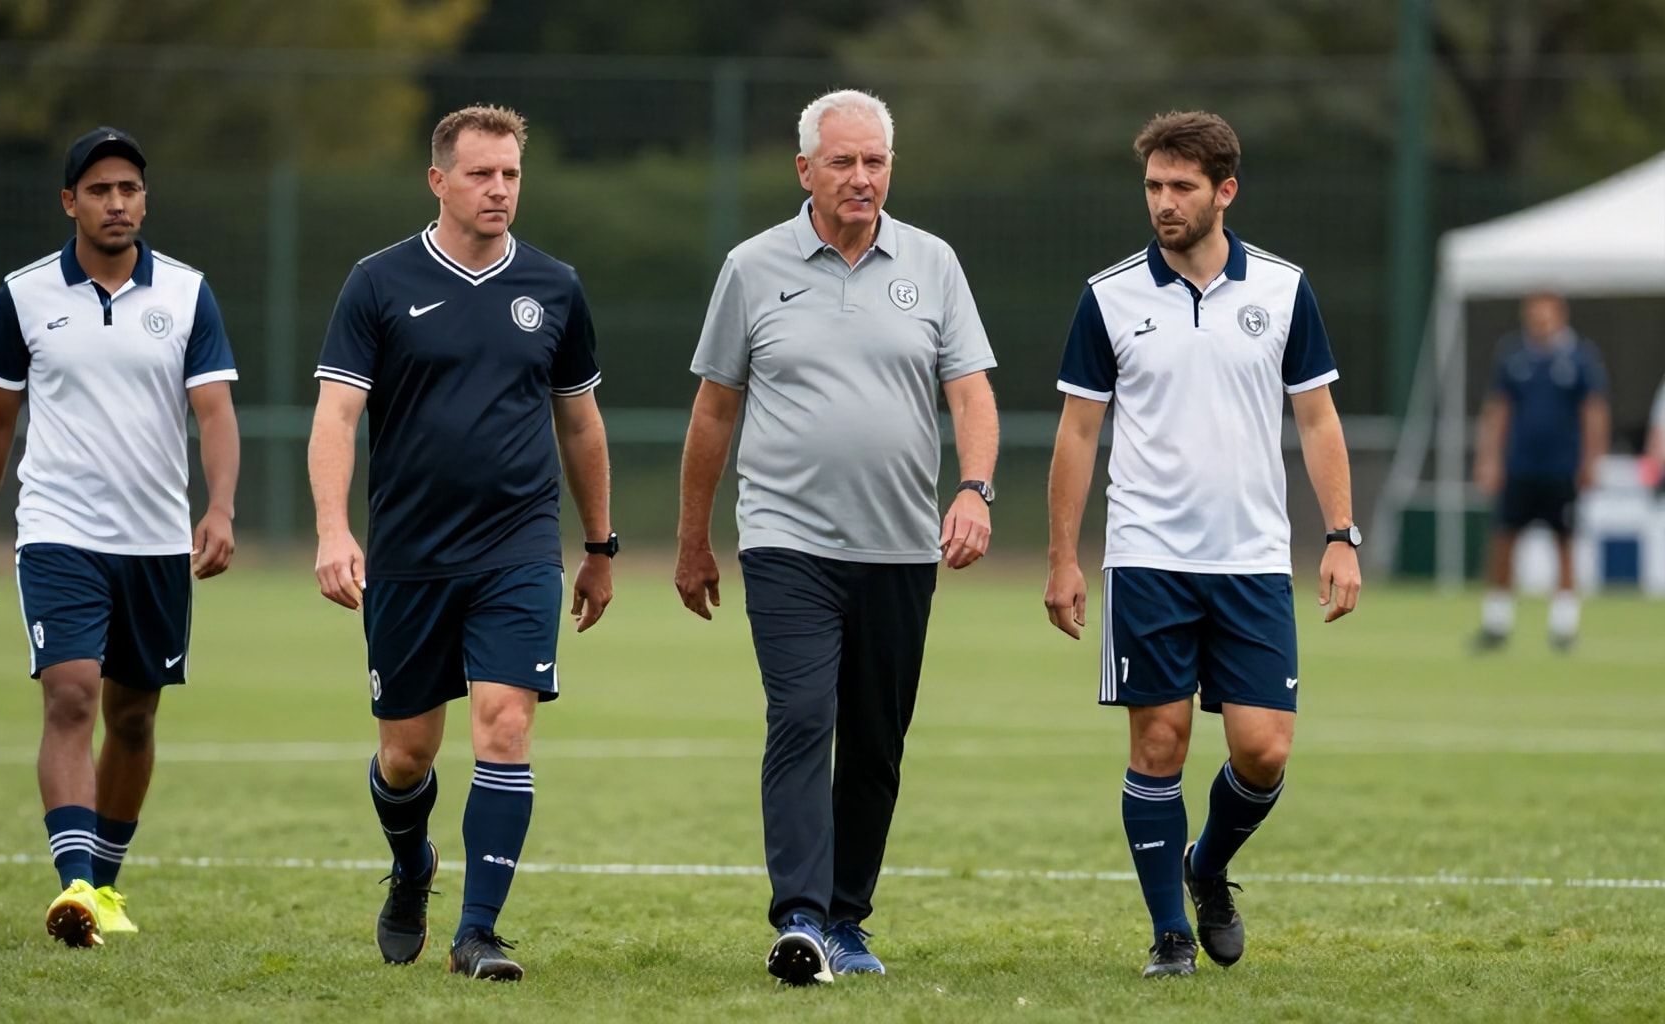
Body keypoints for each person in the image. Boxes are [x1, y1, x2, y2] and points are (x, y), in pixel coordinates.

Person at [675, 88, 1000, 986]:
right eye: (845, 162)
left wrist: (973, 490)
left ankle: (849, 919)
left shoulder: (933, 264)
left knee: (874, 741)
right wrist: (694, 538)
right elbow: (715, 409)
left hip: (900, 548)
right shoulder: (751, 266)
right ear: (805, 169)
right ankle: (803, 921)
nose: (863, 179)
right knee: (802, 717)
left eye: (877, 163)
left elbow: (970, 393)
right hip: (785, 543)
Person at [1044, 110, 1360, 978]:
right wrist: (1064, 557)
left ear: (1225, 191)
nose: (1164, 202)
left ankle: (1207, 867)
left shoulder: (1285, 290)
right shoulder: (1108, 296)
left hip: (1254, 559)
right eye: (1153, 186)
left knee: (1264, 750)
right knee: (1160, 746)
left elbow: (1319, 417)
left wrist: (1340, 534)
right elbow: (1077, 434)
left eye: (1182, 186)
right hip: (1147, 556)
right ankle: (1169, 938)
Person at [308, 104, 614, 983]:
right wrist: (335, 530)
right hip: (408, 555)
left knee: (505, 727)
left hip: (518, 548)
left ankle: (477, 933)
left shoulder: (554, 286)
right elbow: (335, 413)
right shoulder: (378, 281)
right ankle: (411, 868)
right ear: (438, 180)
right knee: (406, 754)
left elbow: (581, 423)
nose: (499, 190)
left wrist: (599, 545)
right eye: (481, 174)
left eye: (511, 174)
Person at [0, 127, 240, 947]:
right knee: (72, 693)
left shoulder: (187, 294)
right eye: (100, 189)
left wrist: (219, 508)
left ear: (144, 200)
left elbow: (215, 412)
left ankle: (102, 889)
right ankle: (73, 882)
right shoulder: (25, 295)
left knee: (136, 717)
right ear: (69, 202)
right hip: (57, 532)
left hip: (155, 543)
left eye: (130, 189)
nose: (117, 202)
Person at [1472, 293, 1609, 650]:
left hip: (1561, 468)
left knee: (1563, 542)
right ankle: (1496, 622)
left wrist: (1592, 460)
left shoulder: (1580, 358)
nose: (1539, 322)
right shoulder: (1514, 356)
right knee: (1504, 540)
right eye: (1534, 315)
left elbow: (1593, 411)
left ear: (1560, 315)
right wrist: (1490, 458)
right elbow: (1498, 410)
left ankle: (1564, 626)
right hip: (1520, 466)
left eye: (1545, 315)